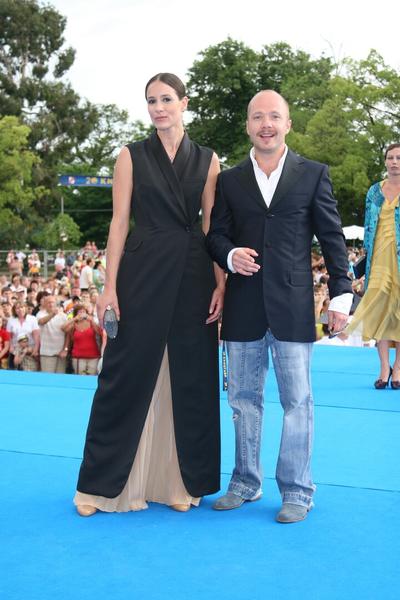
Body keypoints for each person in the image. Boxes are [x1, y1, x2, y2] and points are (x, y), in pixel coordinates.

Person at [73, 72, 224, 517]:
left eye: (166, 99)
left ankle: (177, 481)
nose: (159, 108)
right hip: (141, 273)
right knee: (125, 373)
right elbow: (119, 222)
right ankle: (100, 488)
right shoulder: (131, 155)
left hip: (194, 274)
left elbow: (212, 227)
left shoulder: (209, 160)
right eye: (151, 101)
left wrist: (221, 284)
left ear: (184, 103)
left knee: (190, 376)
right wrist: (109, 287)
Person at [207, 90, 353, 523]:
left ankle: (297, 490)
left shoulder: (314, 174)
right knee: (242, 401)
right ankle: (244, 482)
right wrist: (230, 255)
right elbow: (215, 236)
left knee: (298, 401)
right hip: (243, 307)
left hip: (292, 306)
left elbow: (332, 238)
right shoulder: (229, 180)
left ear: (288, 123)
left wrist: (341, 296)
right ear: (248, 126)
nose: (266, 124)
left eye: (274, 116)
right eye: (257, 117)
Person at [345, 143, 400, 388]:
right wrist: (364, 265)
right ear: (385, 161)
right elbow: (368, 227)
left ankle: (398, 368)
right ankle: (384, 367)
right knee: (379, 311)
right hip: (378, 259)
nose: (394, 162)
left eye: (399, 158)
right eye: (390, 157)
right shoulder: (374, 191)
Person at [63, 304, 102, 375]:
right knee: (80, 377)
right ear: (76, 313)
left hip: (93, 356)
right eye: (80, 312)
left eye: (83, 311)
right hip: (78, 356)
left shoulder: (91, 322)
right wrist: (74, 319)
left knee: (92, 377)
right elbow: (63, 328)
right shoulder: (74, 324)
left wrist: (92, 320)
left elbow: (99, 332)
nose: (82, 313)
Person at [37, 295, 68, 373]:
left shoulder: (63, 316)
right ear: (44, 304)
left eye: (52, 302)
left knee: (60, 378)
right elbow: (41, 321)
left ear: (56, 303)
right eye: (48, 303)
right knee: (48, 378)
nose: (51, 304)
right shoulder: (40, 314)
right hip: (47, 354)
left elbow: (67, 334)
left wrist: (65, 349)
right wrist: (53, 314)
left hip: (61, 354)